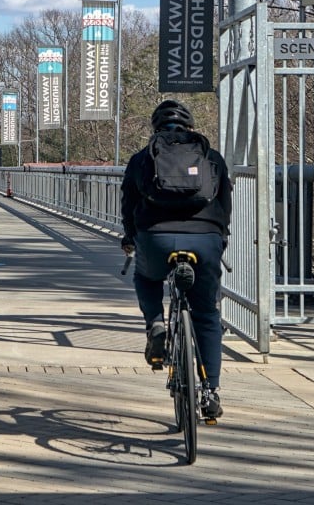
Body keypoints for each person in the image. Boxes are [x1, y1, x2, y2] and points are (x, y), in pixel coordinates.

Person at [120, 99, 232, 420]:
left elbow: (129, 203)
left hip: (156, 238)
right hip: (205, 240)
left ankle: (156, 324)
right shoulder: (212, 157)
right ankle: (210, 392)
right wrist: (218, 239)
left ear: (155, 129)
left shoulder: (143, 159)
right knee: (207, 314)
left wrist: (131, 238)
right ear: (191, 127)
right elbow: (224, 204)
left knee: (146, 276)